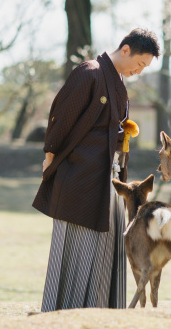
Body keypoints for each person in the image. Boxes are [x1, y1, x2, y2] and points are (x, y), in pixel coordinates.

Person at [33, 28, 161, 312]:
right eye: (139, 64)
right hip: (80, 174)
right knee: (77, 241)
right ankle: (66, 307)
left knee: (106, 241)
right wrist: (50, 153)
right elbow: (61, 116)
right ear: (125, 49)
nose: (138, 71)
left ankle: (100, 306)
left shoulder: (118, 83)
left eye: (144, 68)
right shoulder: (89, 72)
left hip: (109, 176)